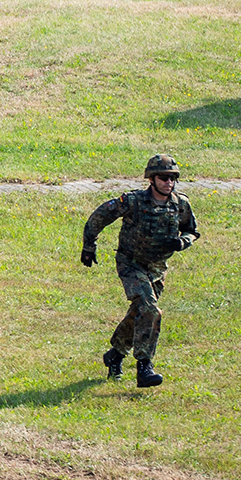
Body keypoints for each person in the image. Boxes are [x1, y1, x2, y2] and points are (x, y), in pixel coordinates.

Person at [81, 154, 199, 388]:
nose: (169, 183)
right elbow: (101, 215)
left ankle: (115, 354)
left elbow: (192, 231)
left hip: (157, 268)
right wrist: (89, 245)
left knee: (139, 313)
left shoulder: (180, 203)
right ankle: (144, 366)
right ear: (152, 179)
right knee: (150, 309)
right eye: (164, 178)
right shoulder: (133, 201)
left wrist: (182, 242)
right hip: (131, 263)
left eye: (172, 178)